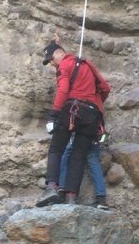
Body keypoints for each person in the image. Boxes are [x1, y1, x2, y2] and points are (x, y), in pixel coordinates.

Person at [36, 39, 110, 207]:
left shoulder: (64, 65)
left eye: (51, 61)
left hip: (72, 110)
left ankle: (52, 187)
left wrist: (53, 114)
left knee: (56, 148)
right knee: (79, 155)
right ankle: (71, 197)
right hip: (92, 115)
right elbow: (105, 88)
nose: (53, 65)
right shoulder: (87, 65)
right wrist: (95, 102)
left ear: (58, 54)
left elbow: (63, 90)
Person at [58, 136, 109, 209]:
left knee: (67, 154)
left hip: (78, 137)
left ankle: (62, 190)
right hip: (94, 137)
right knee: (94, 163)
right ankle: (101, 198)